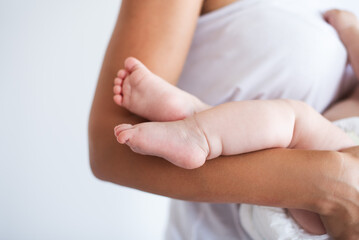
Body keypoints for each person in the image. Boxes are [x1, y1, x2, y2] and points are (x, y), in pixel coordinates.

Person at [88, 1, 359, 239]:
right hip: (306, 211)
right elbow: (107, 151)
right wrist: (335, 186)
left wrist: (350, 29)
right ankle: (198, 119)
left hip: (312, 216)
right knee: (296, 125)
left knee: (295, 122)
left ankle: (198, 124)